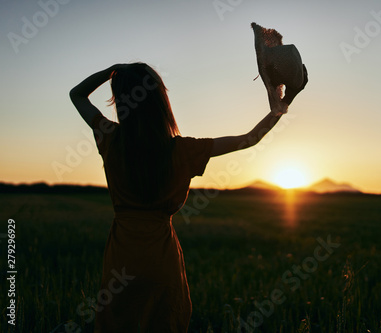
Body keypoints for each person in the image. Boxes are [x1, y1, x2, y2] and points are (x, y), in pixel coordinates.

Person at [69, 62, 307, 332]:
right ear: (161, 102)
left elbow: (77, 94)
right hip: (162, 260)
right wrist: (286, 100)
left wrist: (111, 71)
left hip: (121, 259)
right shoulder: (183, 150)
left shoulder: (110, 138)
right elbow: (251, 138)